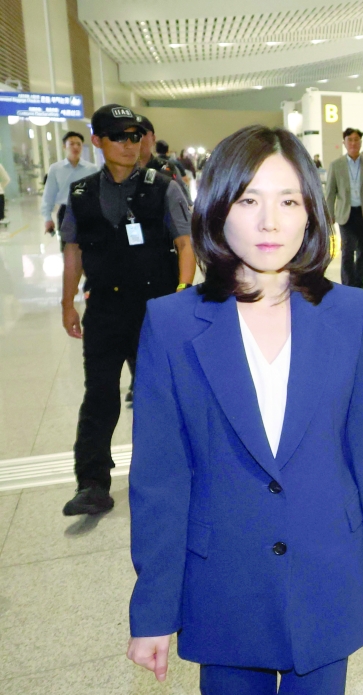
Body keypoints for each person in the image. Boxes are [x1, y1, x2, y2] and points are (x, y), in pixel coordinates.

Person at [125, 125, 363, 693]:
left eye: (288, 201)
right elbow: (160, 480)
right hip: (223, 582)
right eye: (249, 200)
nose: (270, 222)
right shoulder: (172, 325)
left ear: (311, 213)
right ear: (218, 208)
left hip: (326, 569)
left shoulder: (351, 314)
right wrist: (153, 609)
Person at [59, 104, 196, 516]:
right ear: (97, 141)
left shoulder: (163, 187)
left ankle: (169, 474)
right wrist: (67, 303)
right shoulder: (81, 193)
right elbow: (73, 252)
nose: (129, 144)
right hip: (103, 309)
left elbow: (185, 245)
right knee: (99, 395)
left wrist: (181, 295)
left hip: (153, 310)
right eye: (118, 136)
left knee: (159, 397)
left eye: (135, 136)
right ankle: (92, 483)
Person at [325, 128, 363, 288]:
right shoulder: (336, 165)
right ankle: (347, 285)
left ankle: (358, 284)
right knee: (347, 251)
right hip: (346, 214)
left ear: (360, 142)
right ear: (344, 143)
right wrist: (329, 214)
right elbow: (330, 192)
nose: (353, 143)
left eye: (356, 140)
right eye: (350, 140)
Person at [41, 131, 101, 238]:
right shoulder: (56, 169)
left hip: (88, 212)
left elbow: (98, 194)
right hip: (66, 212)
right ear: (64, 146)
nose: (75, 147)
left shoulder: (92, 169)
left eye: (78, 144)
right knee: (67, 245)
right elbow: (49, 195)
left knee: (88, 245)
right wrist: (47, 218)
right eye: (72, 144)